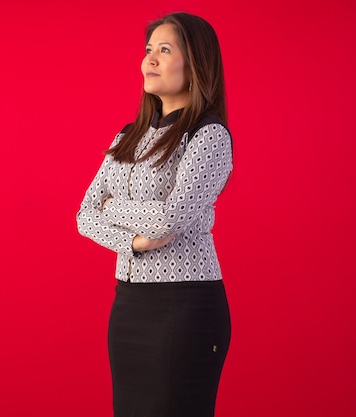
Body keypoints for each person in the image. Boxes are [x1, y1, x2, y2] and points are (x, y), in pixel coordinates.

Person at [76, 12, 233, 417]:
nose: (150, 60)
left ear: (196, 63)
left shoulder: (207, 135)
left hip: (184, 305)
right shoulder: (127, 137)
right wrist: (131, 241)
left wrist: (113, 207)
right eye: (149, 50)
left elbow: (171, 219)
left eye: (165, 50)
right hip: (129, 305)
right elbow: (83, 214)